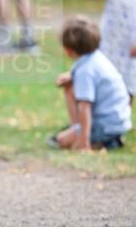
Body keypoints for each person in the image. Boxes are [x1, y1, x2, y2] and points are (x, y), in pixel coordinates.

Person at [49, 0, 136, 97]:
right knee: (101, 84)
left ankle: (122, 120)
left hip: (128, 52)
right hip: (108, 47)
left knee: (125, 89)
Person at [49, 16, 132, 150]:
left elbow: (85, 106)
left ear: (68, 50)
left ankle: (100, 142)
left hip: (105, 125)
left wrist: (83, 142)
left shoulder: (85, 71)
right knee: (69, 86)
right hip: (118, 122)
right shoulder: (97, 58)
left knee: (60, 141)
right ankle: (81, 131)